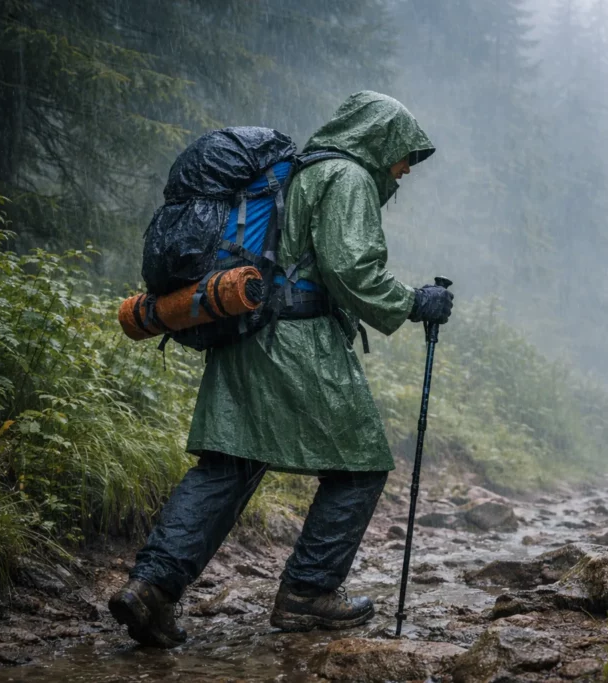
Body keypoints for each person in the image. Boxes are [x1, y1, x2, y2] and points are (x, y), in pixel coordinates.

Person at [108, 91, 454, 648]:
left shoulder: (302, 172)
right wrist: (415, 303)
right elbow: (351, 269)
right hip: (298, 342)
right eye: (406, 152)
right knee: (360, 465)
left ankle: (150, 590)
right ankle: (307, 594)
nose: (408, 166)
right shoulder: (347, 176)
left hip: (245, 328)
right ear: (378, 138)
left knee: (228, 467)